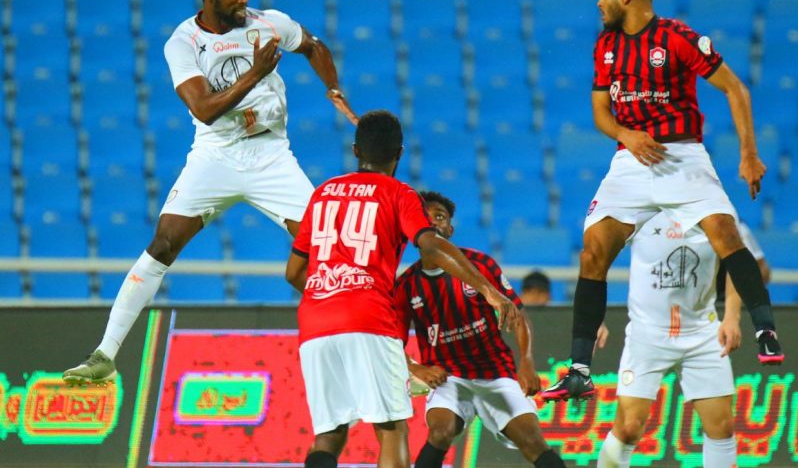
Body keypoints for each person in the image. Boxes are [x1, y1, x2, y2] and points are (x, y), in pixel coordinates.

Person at [63, 0, 358, 385]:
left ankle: (377, 348)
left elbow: (312, 45)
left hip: (271, 156)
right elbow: (204, 109)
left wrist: (332, 86)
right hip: (215, 156)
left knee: (328, 251)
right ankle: (105, 355)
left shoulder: (269, 22)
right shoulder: (183, 43)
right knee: (163, 244)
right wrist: (255, 74)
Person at [543, 0, 783, 402]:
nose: (598, 2)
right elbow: (600, 113)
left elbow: (736, 89)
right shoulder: (606, 45)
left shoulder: (678, 38)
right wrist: (626, 135)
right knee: (593, 250)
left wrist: (749, 154)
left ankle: (765, 330)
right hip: (631, 159)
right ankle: (579, 369)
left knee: (725, 232)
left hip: (682, 154)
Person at [284, 111, 520, 468]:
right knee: (392, 430)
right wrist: (488, 290)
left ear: (355, 150)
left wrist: (333, 292)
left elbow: (294, 272)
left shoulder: (323, 194)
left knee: (329, 434)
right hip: (368, 318)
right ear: (399, 154)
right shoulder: (399, 193)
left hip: (315, 324)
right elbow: (431, 245)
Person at [396, 192, 566, 468]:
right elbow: (392, 341)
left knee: (533, 441)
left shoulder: (480, 264)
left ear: (450, 229)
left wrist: (526, 361)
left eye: (440, 216)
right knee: (440, 433)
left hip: (495, 373)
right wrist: (417, 369)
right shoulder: (405, 285)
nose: (433, 222)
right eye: (426, 217)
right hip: (448, 378)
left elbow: (518, 315)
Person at [594, 212, 763, 468]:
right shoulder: (638, 205)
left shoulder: (714, 207)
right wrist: (593, 314)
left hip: (701, 332)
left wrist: (732, 316)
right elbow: (599, 255)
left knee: (722, 426)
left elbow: (738, 261)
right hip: (647, 333)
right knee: (628, 427)